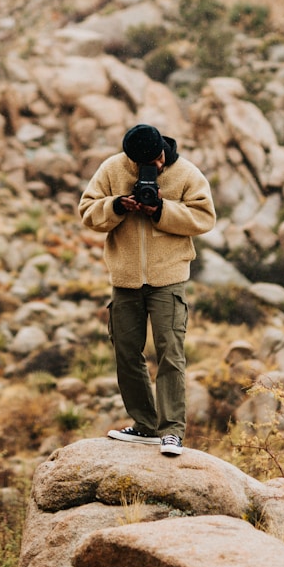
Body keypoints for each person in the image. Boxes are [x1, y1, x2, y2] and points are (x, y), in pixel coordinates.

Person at [78, 123, 216, 456]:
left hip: (168, 279)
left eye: (154, 162)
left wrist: (161, 211)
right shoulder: (112, 169)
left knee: (170, 352)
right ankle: (145, 426)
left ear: (162, 152)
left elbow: (204, 217)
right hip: (124, 280)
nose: (149, 169)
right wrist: (117, 206)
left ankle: (171, 432)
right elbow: (87, 212)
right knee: (126, 353)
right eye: (140, 164)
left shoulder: (185, 173)